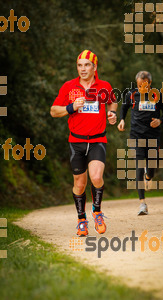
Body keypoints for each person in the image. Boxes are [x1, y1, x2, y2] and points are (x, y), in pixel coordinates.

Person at [50, 50, 117, 236]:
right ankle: (81, 220)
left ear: (95, 67)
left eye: (87, 65)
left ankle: (97, 212)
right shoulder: (69, 87)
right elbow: (54, 111)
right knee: (79, 184)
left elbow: (112, 102)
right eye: (80, 65)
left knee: (96, 177)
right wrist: (71, 107)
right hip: (76, 141)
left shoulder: (104, 86)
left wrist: (112, 113)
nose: (83, 69)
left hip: (97, 140)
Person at [118, 71, 163, 215]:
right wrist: (122, 119)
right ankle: (142, 203)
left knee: (152, 164)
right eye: (140, 85)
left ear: (150, 84)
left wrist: (160, 120)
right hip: (136, 136)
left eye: (145, 85)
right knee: (139, 167)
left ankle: (149, 176)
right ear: (137, 84)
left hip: (153, 136)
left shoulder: (158, 96)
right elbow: (124, 108)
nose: (142, 88)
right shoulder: (131, 95)